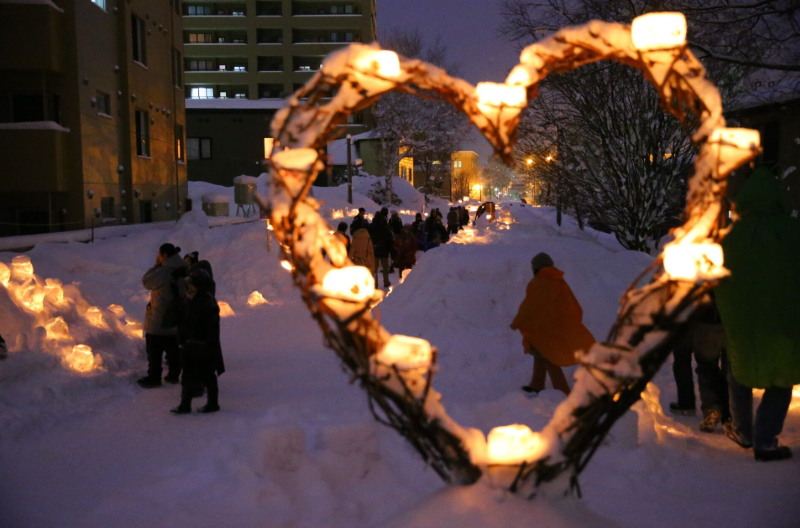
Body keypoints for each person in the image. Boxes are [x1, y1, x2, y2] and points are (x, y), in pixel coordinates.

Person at [715, 168, 800, 461]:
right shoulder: (793, 232)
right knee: (781, 375)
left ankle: (743, 432)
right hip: (785, 320)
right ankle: (765, 441)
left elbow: (719, 278)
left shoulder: (731, 237)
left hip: (742, 322)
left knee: (738, 371)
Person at [510, 252, 595, 395]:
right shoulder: (558, 280)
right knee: (539, 355)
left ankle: (563, 391)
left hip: (544, 329)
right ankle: (537, 384)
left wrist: (518, 321)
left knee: (549, 358)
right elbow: (573, 305)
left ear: (537, 267)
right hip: (555, 327)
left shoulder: (539, 282)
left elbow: (530, 306)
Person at [669, 294, 730, 432]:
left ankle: (707, 408)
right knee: (728, 368)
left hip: (701, 318)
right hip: (725, 317)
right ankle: (729, 413)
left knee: (704, 365)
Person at [170, 269, 225, 414]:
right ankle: (185, 404)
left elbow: (211, 326)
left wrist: (206, 343)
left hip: (202, 345)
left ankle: (212, 403)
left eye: (191, 284)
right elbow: (179, 319)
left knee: (207, 375)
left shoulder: (207, 302)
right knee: (187, 375)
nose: (188, 287)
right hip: (189, 345)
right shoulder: (188, 299)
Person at [138, 243, 188, 388]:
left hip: (160, 317)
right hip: (177, 316)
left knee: (154, 350)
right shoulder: (184, 269)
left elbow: (146, 281)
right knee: (173, 349)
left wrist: (156, 266)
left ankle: (154, 377)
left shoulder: (164, 272)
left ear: (164, 255)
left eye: (159, 255)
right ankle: (173, 374)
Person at [369, 212, 394, 288]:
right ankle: (386, 281)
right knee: (385, 268)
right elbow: (390, 240)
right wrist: (391, 250)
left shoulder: (371, 227)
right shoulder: (386, 227)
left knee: (374, 269)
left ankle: (375, 283)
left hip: (374, 250)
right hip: (384, 250)